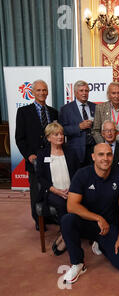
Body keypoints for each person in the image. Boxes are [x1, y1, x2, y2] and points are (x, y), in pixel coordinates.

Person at [61, 143, 119, 284]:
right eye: (101, 154)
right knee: (67, 220)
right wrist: (97, 218)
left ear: (112, 157)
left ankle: (99, 244)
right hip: (86, 223)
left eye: (108, 154)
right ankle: (77, 263)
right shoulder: (82, 174)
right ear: (93, 157)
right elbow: (71, 206)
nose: (105, 158)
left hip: (108, 227)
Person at [15, 79, 58, 230]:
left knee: (51, 188)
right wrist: (29, 155)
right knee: (37, 190)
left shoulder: (53, 112)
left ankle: (49, 216)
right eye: (39, 90)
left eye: (44, 90)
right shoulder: (23, 112)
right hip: (34, 159)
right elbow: (19, 138)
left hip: (52, 159)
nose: (42, 93)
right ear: (32, 93)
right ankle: (38, 220)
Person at [36, 122, 80, 255]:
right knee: (63, 204)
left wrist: (72, 190)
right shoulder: (43, 154)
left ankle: (64, 235)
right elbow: (40, 178)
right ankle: (67, 236)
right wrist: (56, 191)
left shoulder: (71, 152)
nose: (60, 137)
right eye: (56, 134)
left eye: (61, 134)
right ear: (49, 137)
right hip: (51, 191)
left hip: (71, 190)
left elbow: (78, 173)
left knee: (75, 202)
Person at [59, 80, 96, 166]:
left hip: (94, 149)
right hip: (76, 151)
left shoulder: (95, 107)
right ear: (75, 93)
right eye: (81, 91)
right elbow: (62, 130)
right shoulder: (66, 109)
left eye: (86, 91)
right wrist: (79, 127)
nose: (84, 93)